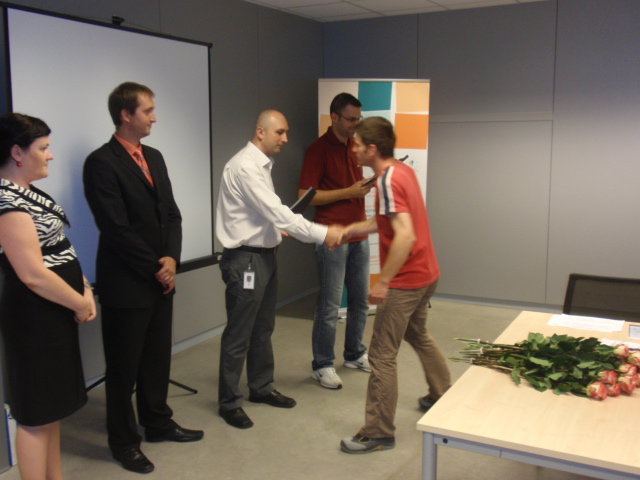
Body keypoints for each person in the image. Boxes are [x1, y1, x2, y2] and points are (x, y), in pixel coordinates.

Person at [83, 82, 203, 474]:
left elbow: (171, 214)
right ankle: (123, 442)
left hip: (160, 278)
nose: (155, 117)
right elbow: (115, 228)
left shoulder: (154, 156)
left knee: (155, 359)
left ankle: (157, 422)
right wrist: (156, 266)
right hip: (126, 281)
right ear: (126, 115)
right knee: (123, 369)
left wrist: (171, 259)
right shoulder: (101, 162)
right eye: (148, 110)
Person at [216, 109, 343, 429]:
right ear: (261, 132)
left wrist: (276, 228)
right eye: (280, 132)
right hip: (246, 260)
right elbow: (276, 211)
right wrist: (323, 233)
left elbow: (261, 213)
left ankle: (260, 387)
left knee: (262, 328)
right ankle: (229, 402)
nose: (286, 139)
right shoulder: (245, 167)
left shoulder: (261, 165)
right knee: (239, 333)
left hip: (264, 256)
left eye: (286, 132)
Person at [338, 117, 451, 454]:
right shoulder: (402, 172)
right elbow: (389, 221)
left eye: (358, 144)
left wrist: (384, 282)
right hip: (427, 274)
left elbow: (404, 235)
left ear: (372, 149)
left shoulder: (387, 180)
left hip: (405, 282)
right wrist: (350, 230)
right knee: (418, 334)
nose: (354, 149)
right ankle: (442, 395)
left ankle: (379, 432)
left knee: (381, 355)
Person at [0, 113, 97, 480]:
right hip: (34, 317)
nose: (50, 155)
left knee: (51, 409)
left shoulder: (27, 191)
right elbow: (33, 274)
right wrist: (79, 302)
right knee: (35, 414)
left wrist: (84, 287)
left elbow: (58, 249)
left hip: (53, 312)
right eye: (43, 148)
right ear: (17, 152)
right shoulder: (6, 200)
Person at [298, 93, 373, 389]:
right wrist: (349, 192)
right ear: (335, 117)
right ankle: (322, 364)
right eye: (351, 119)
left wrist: (364, 187)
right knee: (329, 306)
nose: (355, 124)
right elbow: (306, 196)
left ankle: (354, 354)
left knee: (360, 301)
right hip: (331, 237)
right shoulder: (318, 150)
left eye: (358, 119)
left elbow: (354, 189)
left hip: (358, 235)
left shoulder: (355, 146)